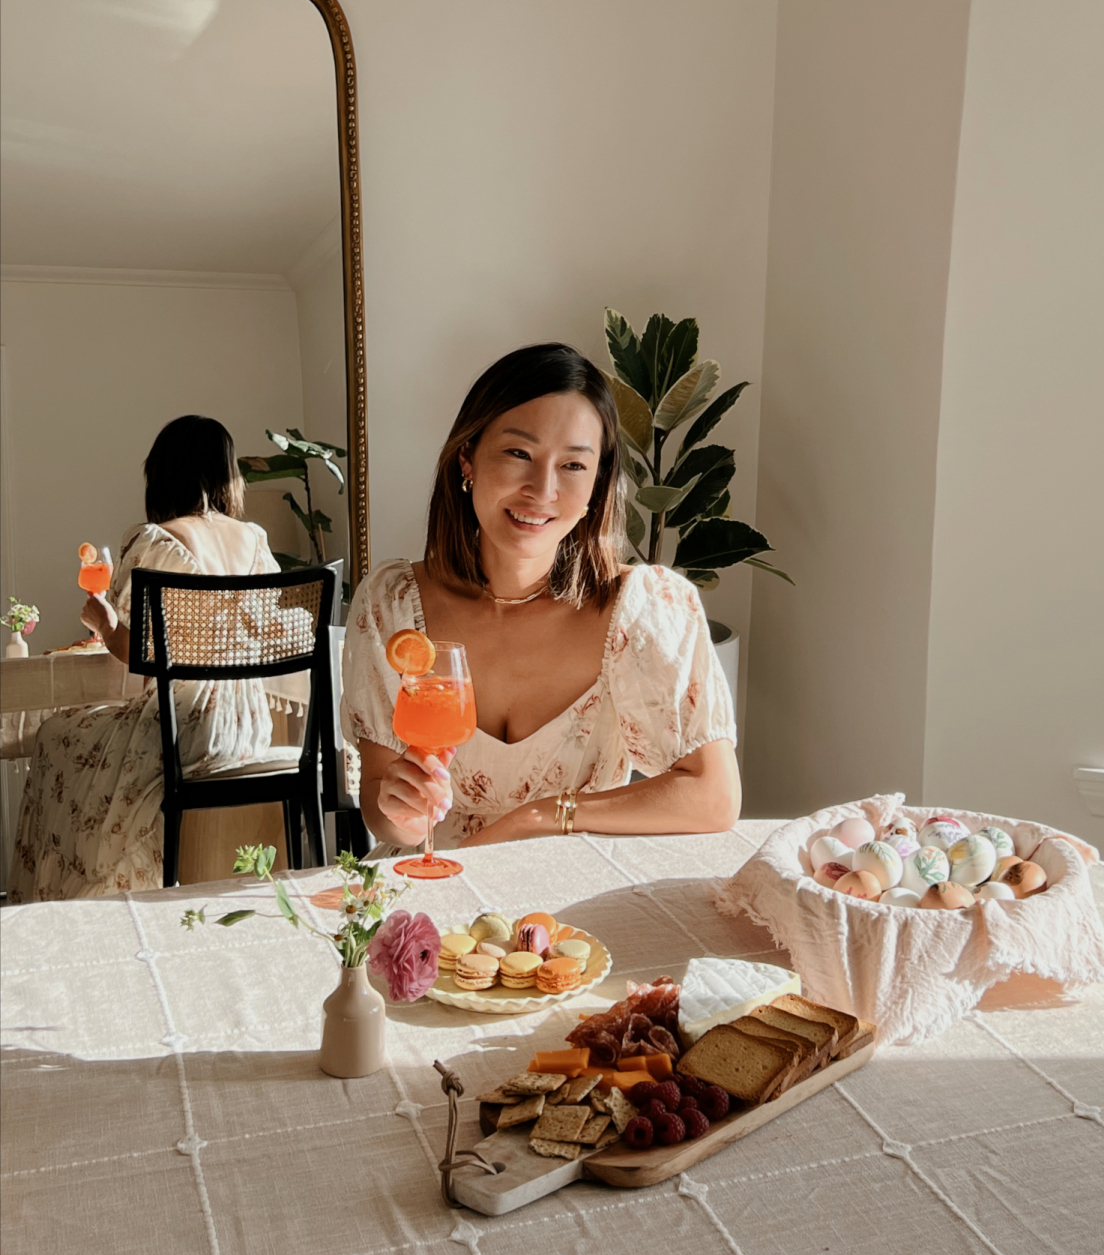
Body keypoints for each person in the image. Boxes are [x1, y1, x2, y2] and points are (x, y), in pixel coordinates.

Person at [341, 342, 740, 852]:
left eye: (573, 466)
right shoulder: (392, 606)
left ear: (598, 482)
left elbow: (714, 796)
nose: (542, 489)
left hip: (572, 904)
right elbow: (384, 808)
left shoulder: (640, 609)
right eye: (518, 453)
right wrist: (401, 809)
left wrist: (536, 818)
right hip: (432, 895)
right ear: (467, 458)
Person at [9, 416, 282, 900]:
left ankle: (66, 901)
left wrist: (103, 622)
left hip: (186, 729)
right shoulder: (255, 541)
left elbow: (139, 655)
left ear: (164, 474)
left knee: (54, 736)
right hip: (249, 725)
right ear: (226, 474)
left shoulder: (155, 541)